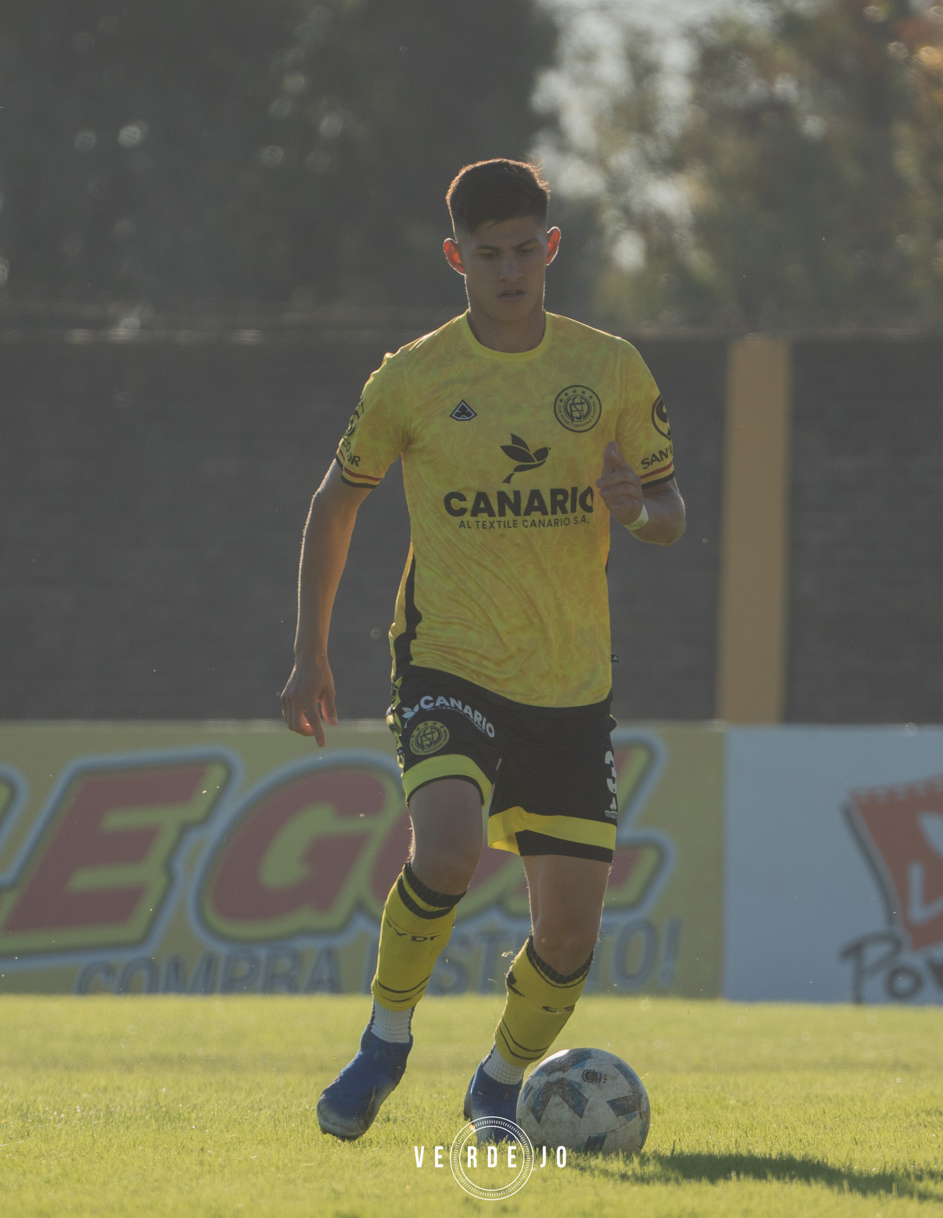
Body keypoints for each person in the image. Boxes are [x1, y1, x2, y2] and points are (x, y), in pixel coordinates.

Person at [279, 158, 685, 1142]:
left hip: (570, 683)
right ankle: (384, 1042)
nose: (509, 271)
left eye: (524, 251)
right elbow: (335, 504)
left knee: (570, 931)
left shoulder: (609, 369)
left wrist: (638, 511)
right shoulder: (412, 378)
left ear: (551, 248)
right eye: (488, 254)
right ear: (455, 256)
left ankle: (499, 1084)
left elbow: (671, 509)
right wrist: (309, 653)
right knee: (450, 847)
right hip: (448, 660)